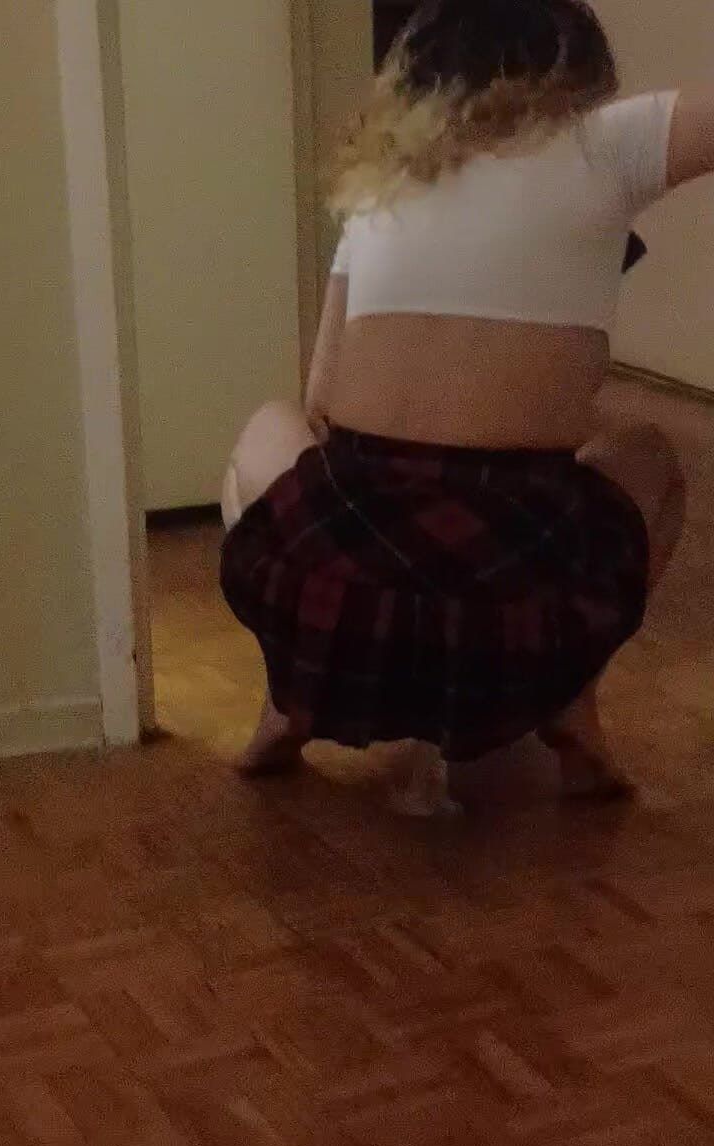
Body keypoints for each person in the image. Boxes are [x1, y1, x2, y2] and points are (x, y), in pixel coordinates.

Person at [221, 0, 713, 813]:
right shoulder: (604, 145)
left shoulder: (377, 188)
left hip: (338, 608)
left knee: (270, 428)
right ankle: (572, 697)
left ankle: (288, 693)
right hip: (519, 615)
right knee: (651, 458)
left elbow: (320, 403)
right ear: (576, 70)